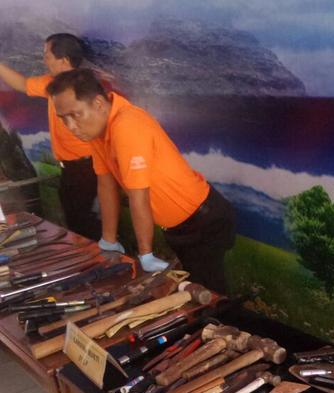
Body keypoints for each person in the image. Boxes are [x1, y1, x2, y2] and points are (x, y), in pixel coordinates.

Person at [46, 68, 236, 292]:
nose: (70, 127)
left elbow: (139, 195)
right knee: (195, 289)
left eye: (75, 115)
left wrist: (145, 253)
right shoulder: (97, 133)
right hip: (177, 227)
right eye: (63, 119)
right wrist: (108, 240)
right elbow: (106, 184)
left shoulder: (127, 126)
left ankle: (226, 325)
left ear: (98, 103)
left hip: (203, 221)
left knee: (210, 294)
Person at [0, 33, 101, 240]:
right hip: (71, 169)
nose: (44, 60)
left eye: (47, 55)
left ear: (63, 60)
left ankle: (104, 262)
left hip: (88, 168)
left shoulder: (82, 87)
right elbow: (22, 84)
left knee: (87, 223)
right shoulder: (54, 84)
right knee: (77, 221)